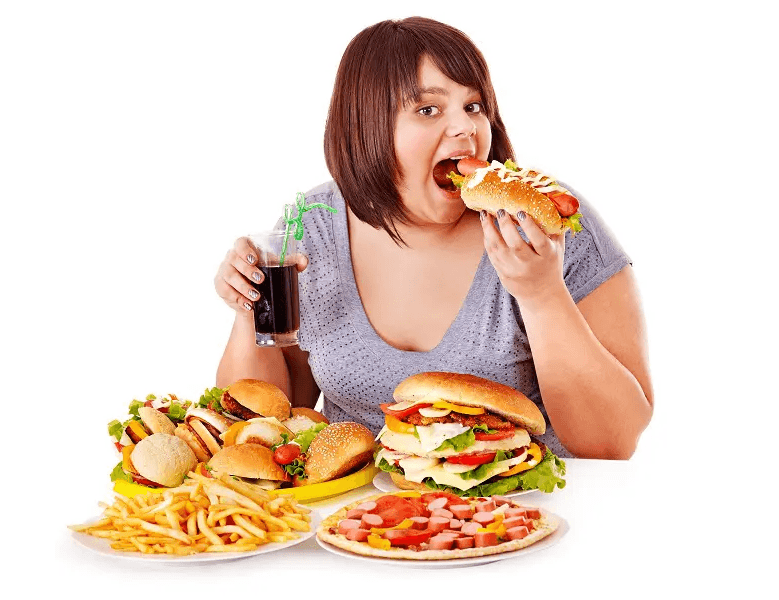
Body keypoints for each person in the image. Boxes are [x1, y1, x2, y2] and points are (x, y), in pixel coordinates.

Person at [213, 17, 653, 459]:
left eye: (475, 106)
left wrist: (542, 295)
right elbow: (265, 427)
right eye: (428, 109)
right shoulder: (313, 224)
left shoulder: (549, 223)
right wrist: (250, 307)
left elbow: (612, 442)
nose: (467, 129)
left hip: (521, 514)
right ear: (367, 128)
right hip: (358, 520)